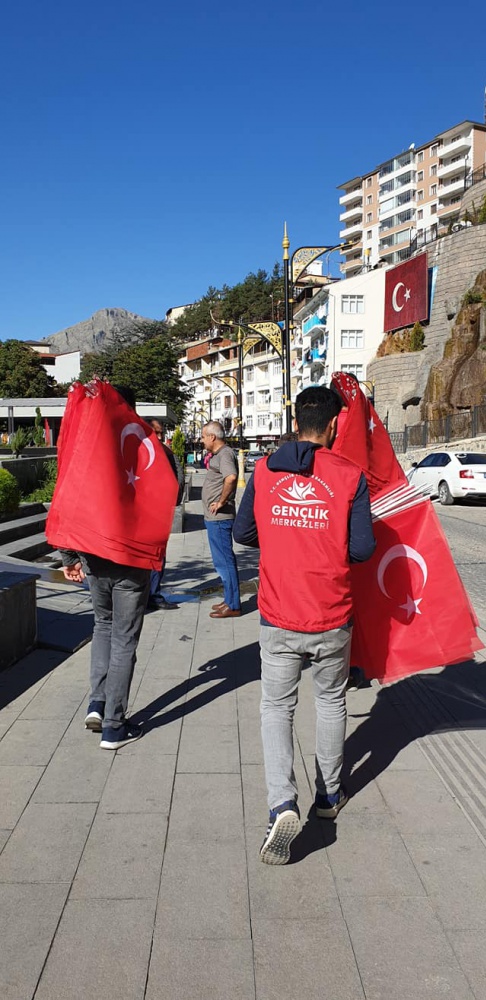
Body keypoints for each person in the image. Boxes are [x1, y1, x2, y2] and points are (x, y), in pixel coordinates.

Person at [233, 386, 376, 864]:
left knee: (276, 707)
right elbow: (360, 550)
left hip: (278, 612)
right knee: (331, 700)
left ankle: (281, 802)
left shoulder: (264, 469)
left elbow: (242, 534)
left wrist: (284, 533)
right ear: (333, 425)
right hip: (332, 614)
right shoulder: (349, 475)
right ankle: (329, 797)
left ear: (297, 421)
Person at [58, 385, 179, 750]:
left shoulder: (91, 442)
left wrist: (68, 556)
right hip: (132, 557)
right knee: (124, 637)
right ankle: (114, 724)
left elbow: (70, 491)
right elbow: (172, 485)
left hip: (94, 554)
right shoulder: (148, 443)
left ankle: (96, 705)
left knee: (103, 627)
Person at [201, 420, 241, 619]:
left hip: (220, 518)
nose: (202, 441)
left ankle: (233, 605)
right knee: (221, 562)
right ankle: (229, 599)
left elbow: (231, 477)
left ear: (212, 437)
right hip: (215, 519)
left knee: (224, 562)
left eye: (203, 436)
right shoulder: (220, 454)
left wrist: (221, 501)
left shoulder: (225, 454)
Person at [147, 419, 184, 610]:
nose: (161, 437)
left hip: (158, 512)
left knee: (157, 555)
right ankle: (151, 595)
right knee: (153, 556)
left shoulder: (165, 453)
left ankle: (151, 594)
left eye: (162, 433)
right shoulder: (145, 452)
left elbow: (179, 479)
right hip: (148, 513)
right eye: (157, 433)